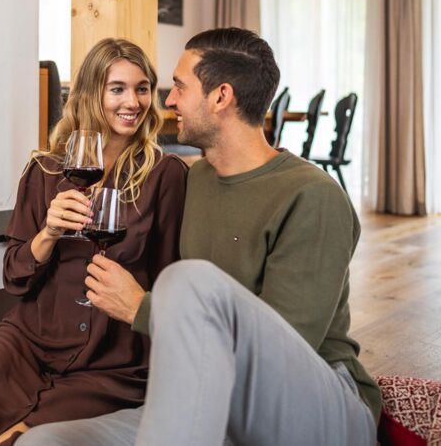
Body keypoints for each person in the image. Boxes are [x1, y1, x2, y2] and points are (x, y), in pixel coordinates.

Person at [19, 28, 380, 446]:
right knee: (42, 443)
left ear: (221, 97)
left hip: (319, 407)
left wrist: (141, 308)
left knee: (191, 281)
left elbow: (286, 349)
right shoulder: (198, 179)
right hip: (214, 391)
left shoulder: (312, 196)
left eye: (180, 87)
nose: (167, 101)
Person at [0, 39, 188, 446]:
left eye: (143, 87)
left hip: (112, 362)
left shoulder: (166, 176)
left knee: (26, 438)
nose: (133, 101)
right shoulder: (45, 169)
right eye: (117, 88)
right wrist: (48, 233)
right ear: (91, 94)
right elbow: (14, 278)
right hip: (29, 339)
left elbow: (168, 278)